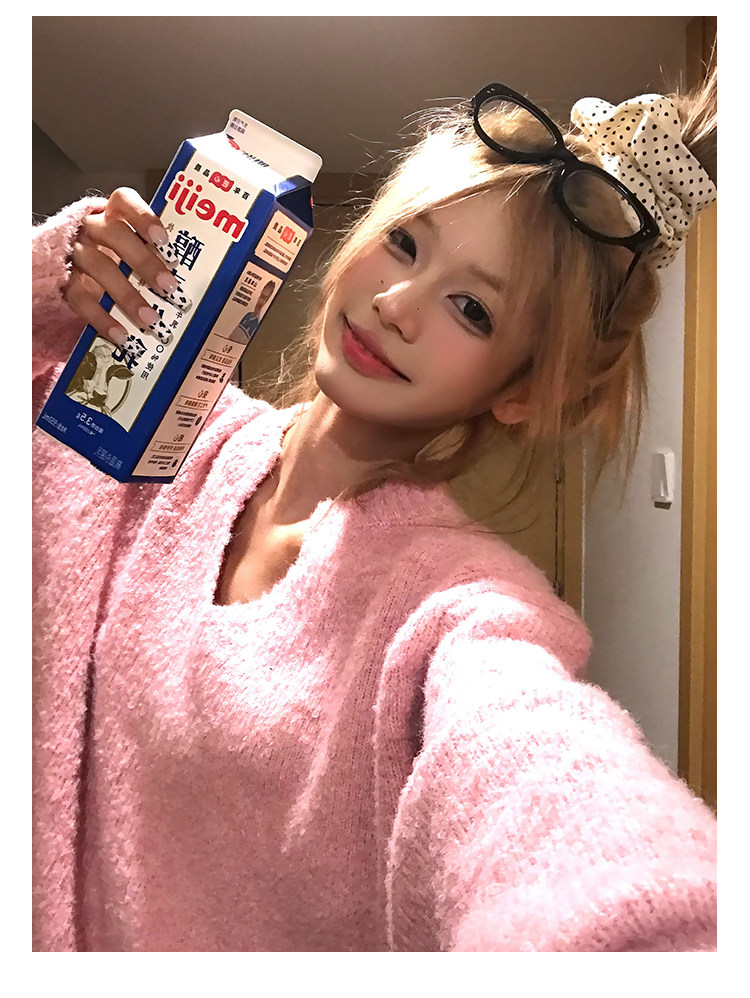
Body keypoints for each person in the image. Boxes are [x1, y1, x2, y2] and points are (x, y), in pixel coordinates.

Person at [32, 68, 718, 952]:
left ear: (521, 392)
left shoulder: (459, 612)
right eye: (404, 243)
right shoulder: (170, 436)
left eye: (472, 309)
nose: (396, 305)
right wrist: (51, 283)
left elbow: (548, 789)